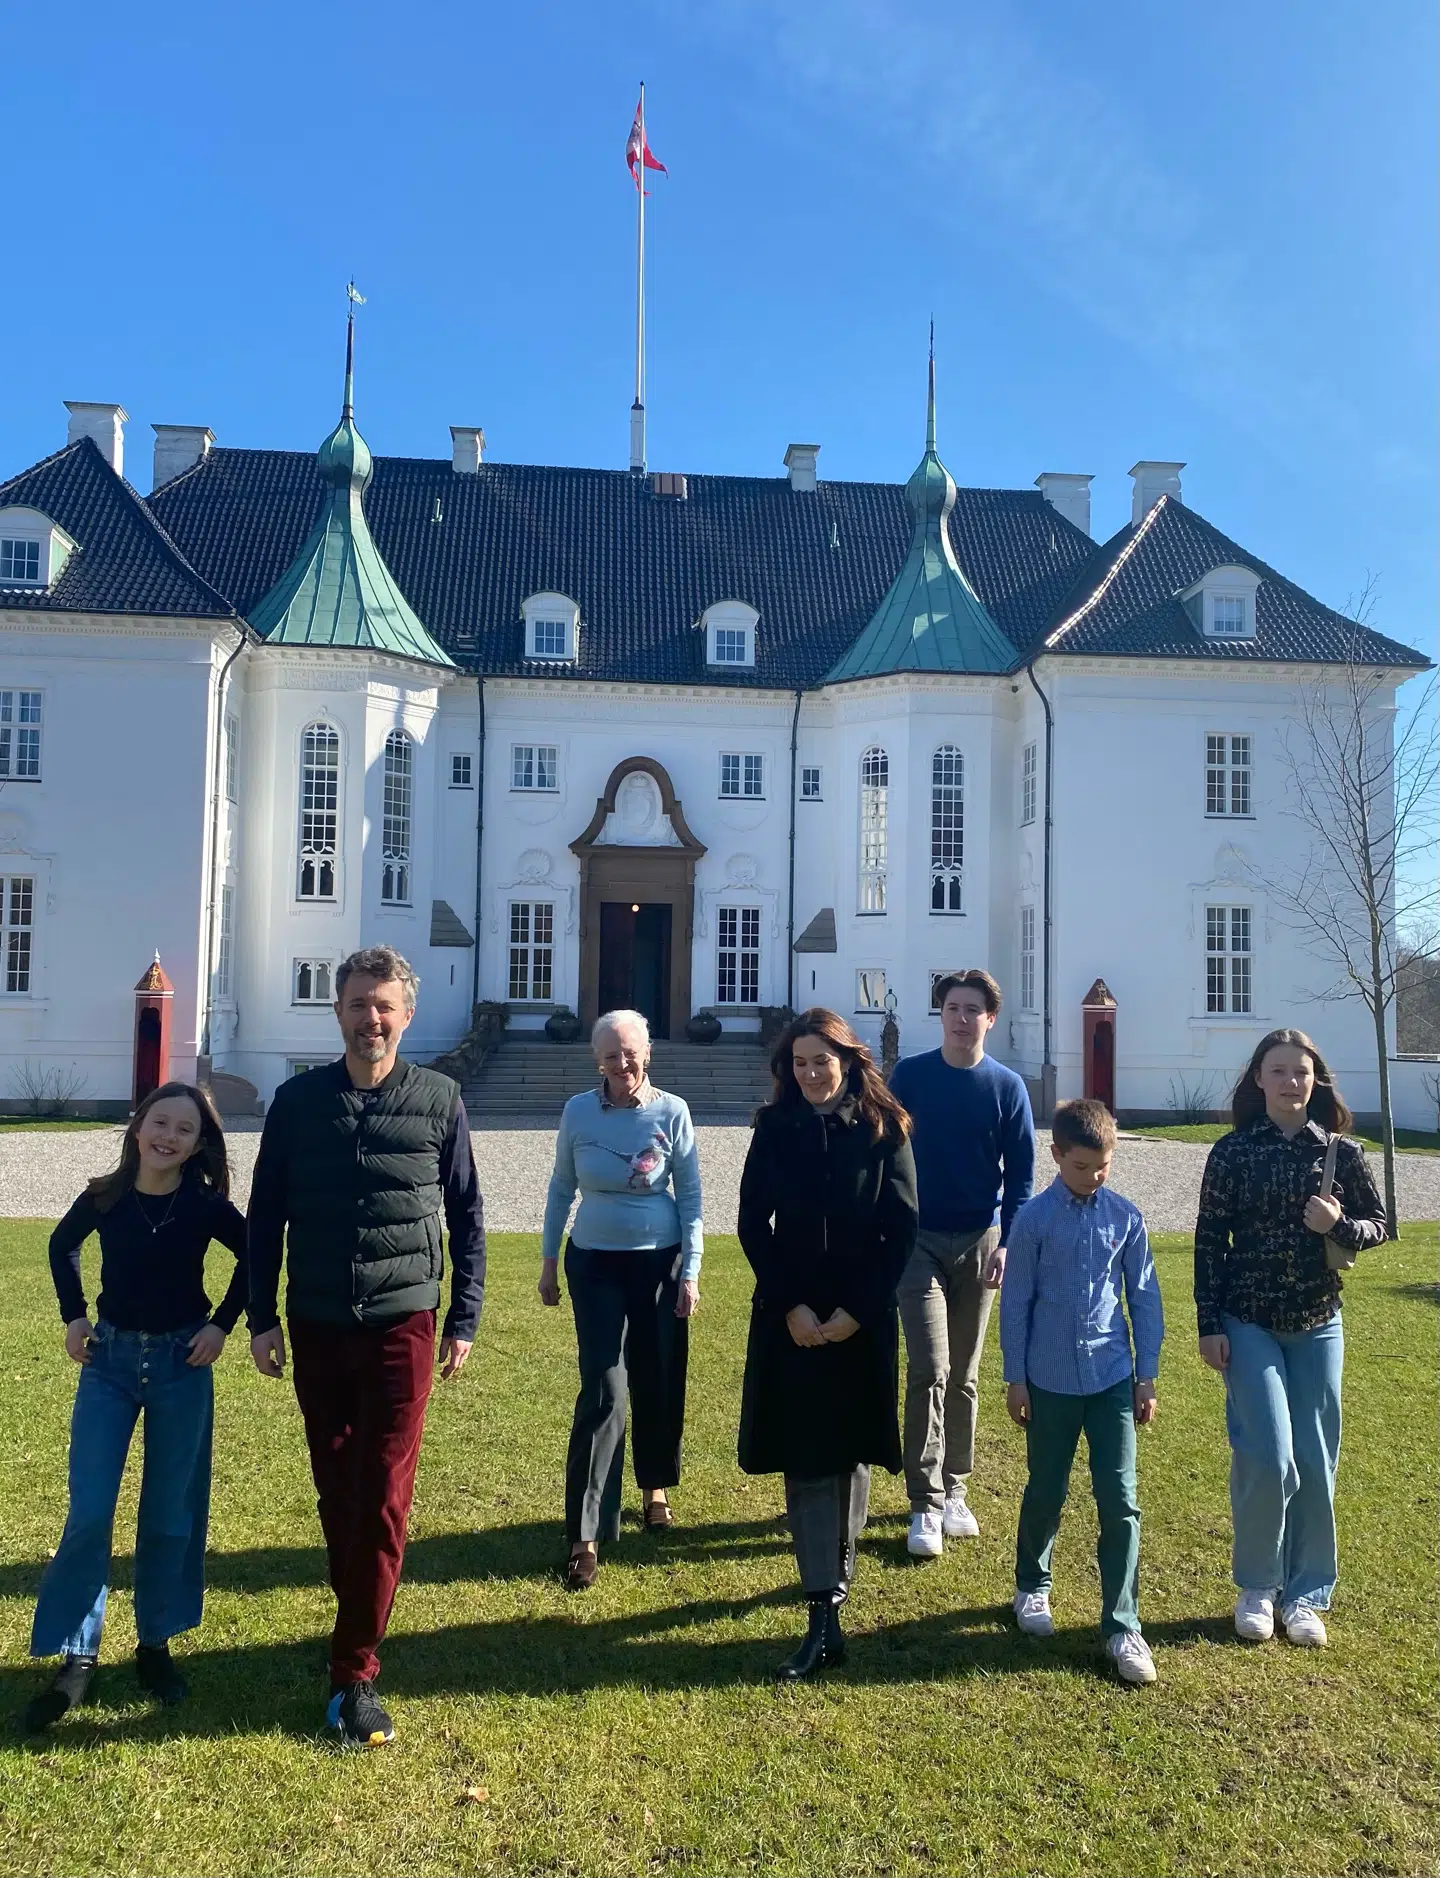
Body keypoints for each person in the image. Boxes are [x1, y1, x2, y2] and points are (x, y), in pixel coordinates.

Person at [247, 944, 486, 1747]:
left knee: (383, 1495)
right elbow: (265, 1217)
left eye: (384, 1006)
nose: (370, 1019)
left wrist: (463, 1318)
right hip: (317, 1321)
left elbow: (467, 1214)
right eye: (358, 1004)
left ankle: (354, 1673)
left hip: (402, 1324)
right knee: (337, 1491)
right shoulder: (296, 1103)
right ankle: (358, 1611)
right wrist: (260, 1315)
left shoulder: (440, 1099)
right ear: (339, 1012)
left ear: (406, 1015)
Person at [26, 1082, 246, 1732]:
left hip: (182, 1364)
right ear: (137, 1126)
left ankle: (155, 1643)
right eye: (160, 1123)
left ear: (198, 1145)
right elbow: (61, 1246)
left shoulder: (205, 1206)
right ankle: (78, 1654)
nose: (168, 1137)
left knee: (171, 1513)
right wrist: (74, 1316)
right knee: (90, 1510)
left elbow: (257, 1255)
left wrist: (222, 1326)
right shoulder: (105, 1195)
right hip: (110, 1364)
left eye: (185, 1129)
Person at [737, 1008, 919, 1680]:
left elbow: (901, 1229)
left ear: (847, 1061)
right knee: (809, 1458)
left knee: (850, 1453)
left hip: (857, 1319)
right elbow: (753, 1223)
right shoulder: (774, 1129)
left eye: (822, 1061)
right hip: (792, 1318)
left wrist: (857, 1311)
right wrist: (791, 1305)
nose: (811, 1074)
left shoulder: (883, 1129)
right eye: (800, 1063)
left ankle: (834, 1583)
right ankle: (823, 1613)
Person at [1194, 1028, 1385, 1649]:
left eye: (1300, 1072)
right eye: (1277, 1071)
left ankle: (1306, 1594)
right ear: (1259, 1079)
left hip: (1318, 1321)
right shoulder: (1232, 1152)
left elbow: (1380, 1224)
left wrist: (1340, 1224)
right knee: (1268, 1454)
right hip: (1248, 1319)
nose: (1289, 1082)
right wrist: (1208, 1322)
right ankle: (1257, 1585)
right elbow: (1209, 1239)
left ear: (1314, 1080)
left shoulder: (1340, 1152)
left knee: (1316, 1460)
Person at [1000, 1098, 1163, 1685]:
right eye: (1080, 1167)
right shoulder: (1033, 1220)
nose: (1093, 1177)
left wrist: (1146, 1374)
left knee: (1120, 1500)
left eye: (1102, 1166)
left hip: (1111, 1379)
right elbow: (1016, 1301)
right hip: (1048, 1382)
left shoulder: (1126, 1218)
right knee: (1047, 1488)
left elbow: (1143, 1297)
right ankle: (1032, 1585)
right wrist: (1015, 1377)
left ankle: (1123, 1625)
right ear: (1057, 1155)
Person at [540, 1009, 702, 1591]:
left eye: (630, 1052)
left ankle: (655, 1489)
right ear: (597, 1061)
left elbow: (691, 1196)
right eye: (611, 1055)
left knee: (656, 1376)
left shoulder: (673, 1111)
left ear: (647, 1053)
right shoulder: (578, 1111)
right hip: (595, 1263)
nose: (622, 1063)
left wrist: (691, 1272)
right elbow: (561, 1186)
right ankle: (585, 1533)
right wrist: (549, 1261)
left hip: (660, 1263)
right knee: (605, 1387)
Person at [888, 968, 1035, 1558]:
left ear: (989, 1019)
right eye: (952, 1007)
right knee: (929, 1366)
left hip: (980, 1241)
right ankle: (924, 1501)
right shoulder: (911, 1076)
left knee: (965, 1375)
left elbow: (1021, 1177)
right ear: (941, 1013)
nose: (961, 1018)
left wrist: (1009, 1243)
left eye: (973, 1009)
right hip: (917, 1241)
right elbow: (884, 1149)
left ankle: (955, 1489)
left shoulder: (1007, 1087)